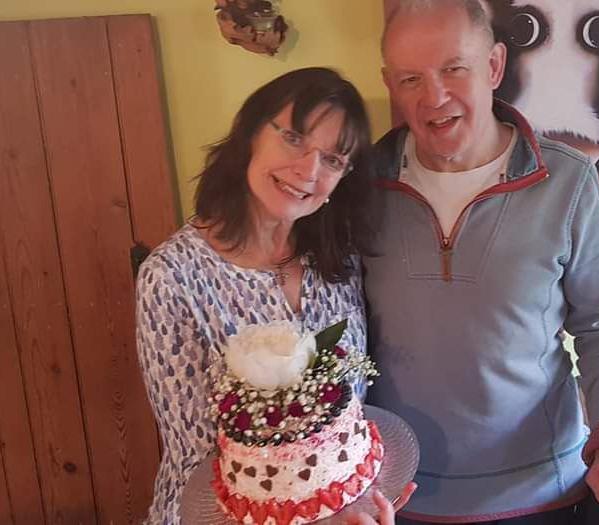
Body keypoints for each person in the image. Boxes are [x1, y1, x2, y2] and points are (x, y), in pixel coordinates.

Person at [362, 0, 599, 523]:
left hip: (547, 493)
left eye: (454, 68)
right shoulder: (355, 186)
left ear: (495, 66)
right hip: (396, 496)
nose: (434, 96)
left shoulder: (568, 180)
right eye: (411, 78)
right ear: (390, 84)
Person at [136, 67, 410, 524]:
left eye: (333, 160)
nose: (308, 171)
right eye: (294, 139)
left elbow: (345, 419)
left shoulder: (339, 261)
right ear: (250, 132)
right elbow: (197, 459)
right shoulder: (172, 277)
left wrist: (361, 495)